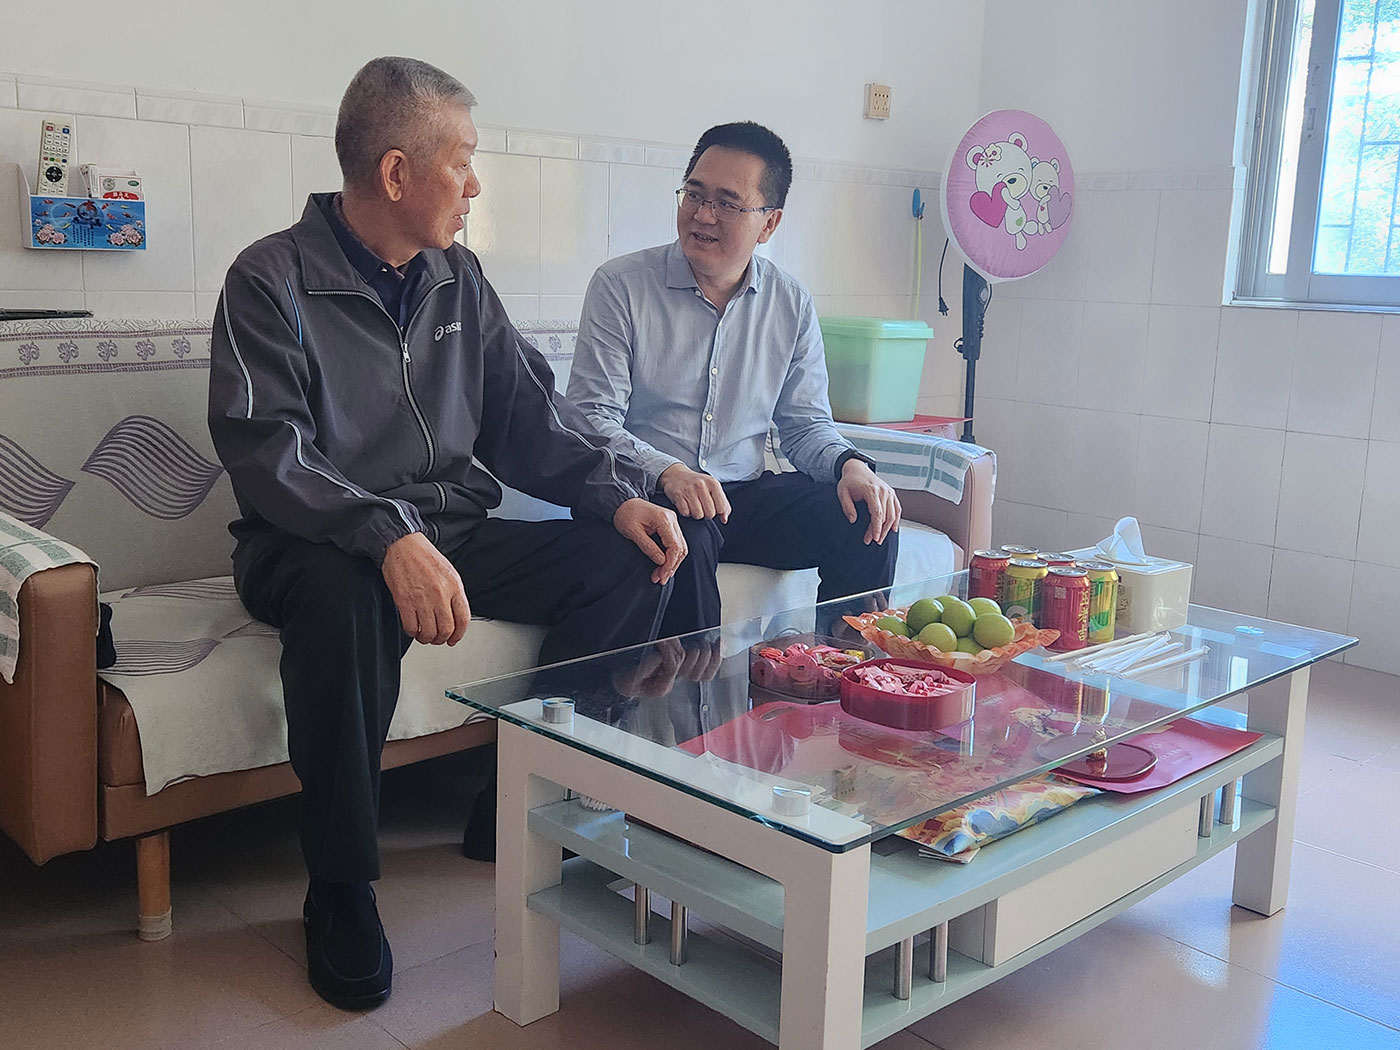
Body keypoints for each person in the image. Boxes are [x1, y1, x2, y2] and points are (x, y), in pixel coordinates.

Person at [207, 57, 686, 1011]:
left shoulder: (458, 280)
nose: (474, 186)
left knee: (628, 560)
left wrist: (615, 496)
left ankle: (518, 801)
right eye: (462, 162)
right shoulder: (270, 279)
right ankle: (341, 886)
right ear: (396, 173)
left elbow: (528, 419)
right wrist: (386, 535)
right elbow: (269, 451)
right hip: (308, 545)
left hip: (451, 533)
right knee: (345, 599)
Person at [568, 121, 900, 639]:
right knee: (687, 534)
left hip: (740, 499)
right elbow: (591, 418)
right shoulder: (621, 286)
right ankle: (690, 690)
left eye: (727, 203)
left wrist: (850, 465)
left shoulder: (790, 303)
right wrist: (669, 471)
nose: (703, 215)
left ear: (769, 223)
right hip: (646, 493)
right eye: (694, 194)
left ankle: (844, 669)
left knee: (867, 514)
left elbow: (805, 425)